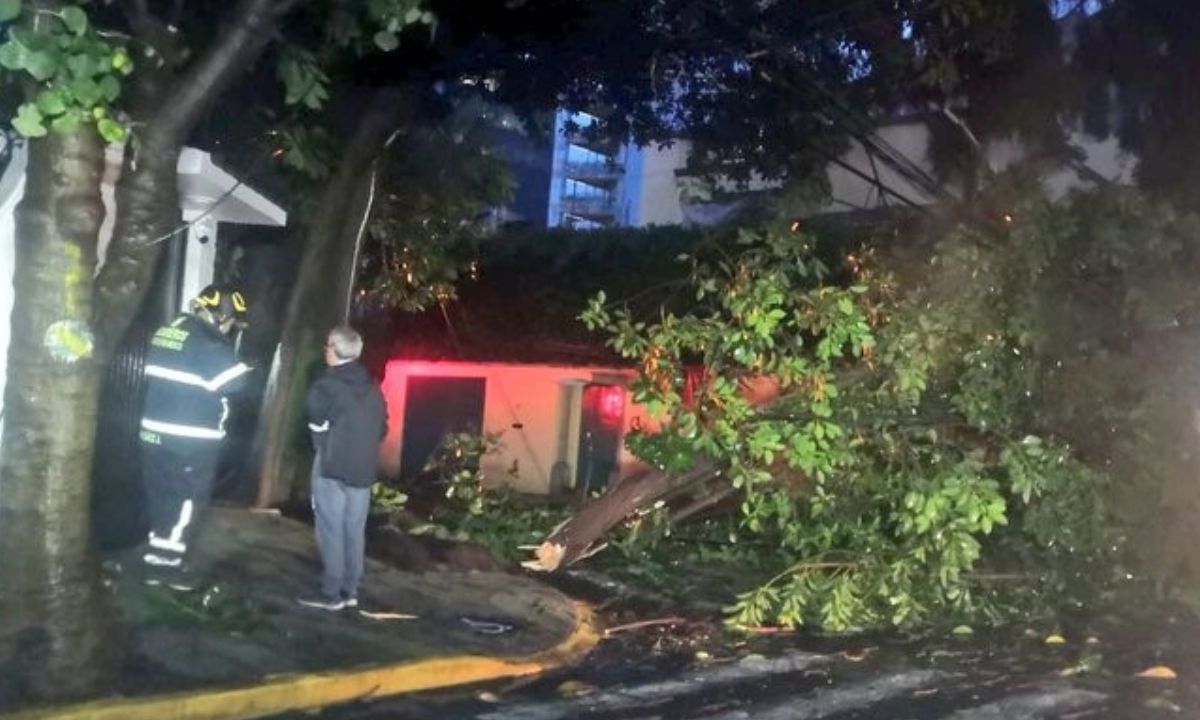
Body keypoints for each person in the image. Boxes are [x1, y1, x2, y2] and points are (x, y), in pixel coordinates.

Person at [139, 284, 252, 588]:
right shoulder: (209, 343)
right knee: (187, 499)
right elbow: (237, 383)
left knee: (161, 495)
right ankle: (166, 566)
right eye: (231, 322)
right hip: (189, 440)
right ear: (220, 316)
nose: (230, 328)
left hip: (153, 433)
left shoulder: (170, 329)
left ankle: (156, 555)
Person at [297, 325, 387, 611]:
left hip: (331, 466)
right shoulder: (372, 388)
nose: (325, 350)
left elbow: (315, 422)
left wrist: (324, 446)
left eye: (327, 346)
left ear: (333, 351)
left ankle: (330, 593)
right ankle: (350, 590)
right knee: (353, 529)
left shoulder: (326, 385)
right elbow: (382, 428)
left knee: (330, 528)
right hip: (363, 469)